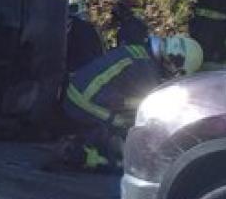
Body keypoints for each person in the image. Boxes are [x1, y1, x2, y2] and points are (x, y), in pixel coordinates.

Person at [50, 35, 203, 172]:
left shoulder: (141, 53)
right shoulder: (147, 71)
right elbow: (147, 106)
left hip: (77, 92)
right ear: (175, 60)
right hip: (83, 102)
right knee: (131, 153)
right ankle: (81, 155)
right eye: (178, 73)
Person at [66, 0, 105, 73]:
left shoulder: (65, 28)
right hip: (90, 68)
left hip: (76, 70)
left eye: (73, 8)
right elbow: (100, 49)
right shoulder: (90, 27)